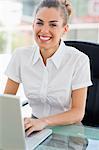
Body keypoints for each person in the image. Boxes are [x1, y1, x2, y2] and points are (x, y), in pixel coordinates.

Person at [4, 0, 92, 136]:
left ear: (65, 29)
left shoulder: (79, 60)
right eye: (39, 23)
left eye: (53, 25)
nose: (44, 30)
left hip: (70, 134)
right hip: (33, 129)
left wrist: (44, 121)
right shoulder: (20, 56)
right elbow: (6, 102)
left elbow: (77, 113)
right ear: (33, 25)